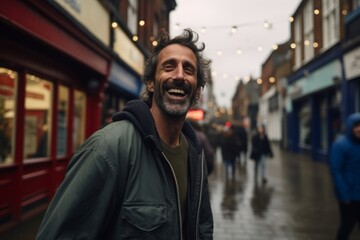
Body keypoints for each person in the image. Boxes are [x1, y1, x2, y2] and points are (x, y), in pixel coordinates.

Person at [36, 29, 213, 240]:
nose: (179, 75)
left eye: (189, 69)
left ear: (198, 91)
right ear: (150, 82)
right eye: (169, 66)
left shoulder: (195, 154)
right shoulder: (107, 148)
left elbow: (202, 228)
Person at [329, 113, 360, 240]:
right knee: (347, 226)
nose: (359, 129)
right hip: (349, 197)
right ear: (350, 127)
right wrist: (344, 195)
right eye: (356, 126)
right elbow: (336, 171)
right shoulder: (340, 145)